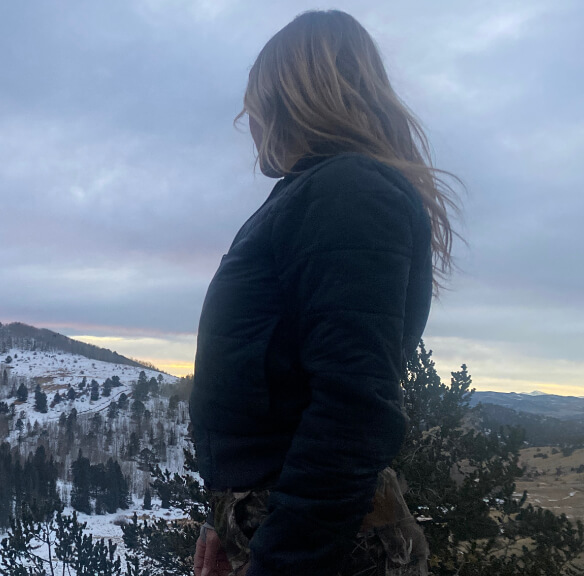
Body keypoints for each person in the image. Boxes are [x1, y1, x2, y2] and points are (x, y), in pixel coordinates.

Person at [189, 9, 459, 576]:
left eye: (254, 108)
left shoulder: (347, 192)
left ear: (290, 97)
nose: (252, 127)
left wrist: (281, 559)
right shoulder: (314, 195)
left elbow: (353, 405)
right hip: (289, 521)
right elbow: (269, 380)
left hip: (322, 542)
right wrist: (227, 519)